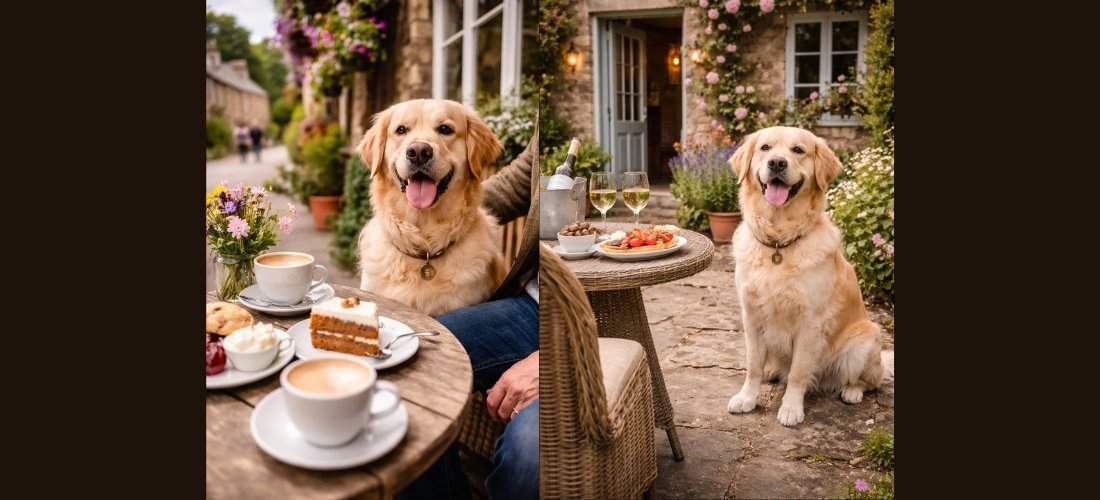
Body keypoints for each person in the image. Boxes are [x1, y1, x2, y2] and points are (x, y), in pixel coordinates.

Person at [399, 127, 540, 500]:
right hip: (531, 304)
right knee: (403, 362)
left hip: (569, 320)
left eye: (445, 129)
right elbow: (520, 180)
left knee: (529, 460)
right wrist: (441, 220)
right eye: (402, 132)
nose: (418, 145)